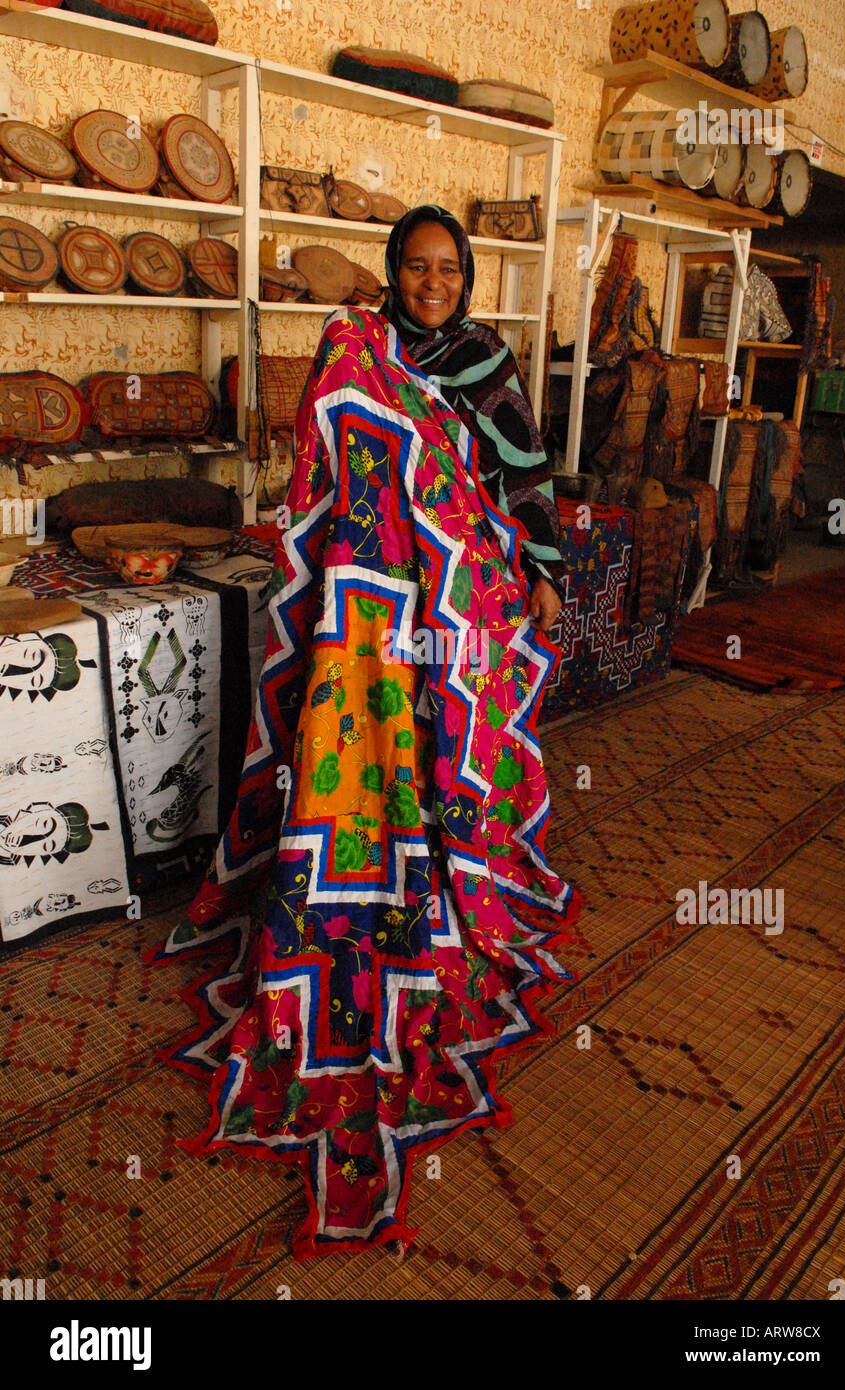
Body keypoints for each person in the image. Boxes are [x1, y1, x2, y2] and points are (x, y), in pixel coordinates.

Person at [147, 205, 580, 1259]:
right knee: (363, 740)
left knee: (449, 742)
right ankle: (368, 888)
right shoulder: (359, 345)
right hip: (370, 601)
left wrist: (543, 568)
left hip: (455, 587)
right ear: (393, 274)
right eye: (416, 268)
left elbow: (522, 472)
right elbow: (327, 459)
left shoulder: (484, 358)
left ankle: (452, 866)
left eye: (448, 269)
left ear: (468, 279)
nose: (432, 283)